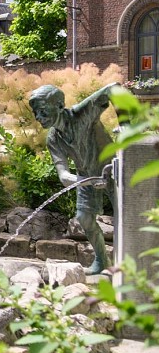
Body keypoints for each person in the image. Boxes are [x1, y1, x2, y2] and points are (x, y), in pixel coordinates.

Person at [29, 83, 117, 275]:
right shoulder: (53, 138)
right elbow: (64, 175)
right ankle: (102, 260)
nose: (38, 117)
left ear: (60, 106)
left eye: (43, 110)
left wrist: (126, 125)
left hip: (113, 170)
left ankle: (124, 263)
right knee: (84, 218)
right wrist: (87, 181)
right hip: (86, 175)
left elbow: (113, 89)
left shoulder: (81, 113)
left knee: (122, 217)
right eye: (35, 112)